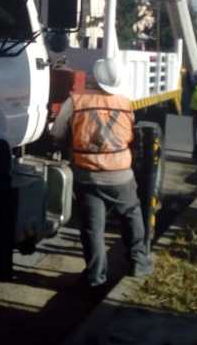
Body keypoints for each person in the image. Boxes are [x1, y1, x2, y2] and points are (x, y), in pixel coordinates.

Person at [49, 59, 153, 290]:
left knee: (93, 228)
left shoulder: (75, 101)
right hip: (121, 175)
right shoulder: (126, 104)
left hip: (88, 176)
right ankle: (139, 263)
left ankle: (95, 277)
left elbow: (57, 134)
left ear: (93, 78)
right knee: (131, 215)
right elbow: (130, 137)